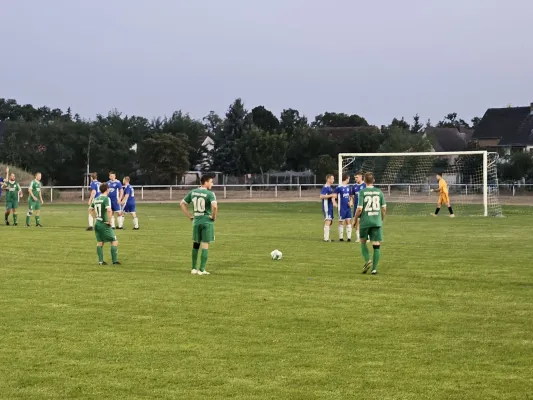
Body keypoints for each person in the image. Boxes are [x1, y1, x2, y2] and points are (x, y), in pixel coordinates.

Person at [180, 174, 218, 276]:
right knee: (205, 245)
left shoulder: (193, 192)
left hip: (196, 222)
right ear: (205, 182)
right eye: (211, 181)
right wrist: (213, 217)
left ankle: (193, 268)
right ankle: (201, 270)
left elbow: (182, 203)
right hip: (206, 222)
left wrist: (190, 216)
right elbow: (214, 207)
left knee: (196, 244)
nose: (212, 184)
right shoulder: (210, 194)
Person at [354, 172, 386, 275]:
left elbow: (359, 209)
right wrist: (381, 219)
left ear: (364, 180)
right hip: (376, 222)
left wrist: (355, 220)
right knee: (376, 244)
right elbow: (384, 208)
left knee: (363, 241)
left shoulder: (362, 192)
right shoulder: (379, 192)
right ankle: (374, 269)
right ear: (374, 180)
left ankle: (368, 260)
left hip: (365, 221)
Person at [88, 183, 120, 265]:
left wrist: (95, 217)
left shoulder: (96, 199)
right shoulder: (106, 199)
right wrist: (109, 221)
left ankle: (100, 261)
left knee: (100, 242)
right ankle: (114, 261)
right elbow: (109, 210)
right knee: (114, 241)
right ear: (107, 189)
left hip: (97, 223)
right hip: (104, 223)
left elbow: (90, 209)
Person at [334, 174, 353, 241]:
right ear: (346, 178)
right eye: (349, 178)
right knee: (341, 222)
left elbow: (350, 196)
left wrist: (350, 202)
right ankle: (341, 238)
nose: (349, 180)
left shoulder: (348, 187)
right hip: (341, 207)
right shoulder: (339, 187)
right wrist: (334, 202)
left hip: (348, 207)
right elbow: (334, 195)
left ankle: (349, 238)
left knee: (348, 221)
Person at [320, 174, 337, 242]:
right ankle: (326, 238)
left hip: (330, 206)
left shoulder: (330, 188)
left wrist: (334, 202)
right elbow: (321, 196)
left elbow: (331, 196)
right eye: (332, 178)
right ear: (328, 179)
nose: (333, 180)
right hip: (326, 206)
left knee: (330, 221)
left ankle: (327, 237)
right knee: (328, 221)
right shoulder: (325, 187)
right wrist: (331, 195)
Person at [350, 172, 366, 241]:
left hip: (364, 207)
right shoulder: (354, 186)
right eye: (355, 178)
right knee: (356, 222)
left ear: (360, 177)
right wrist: (351, 201)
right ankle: (358, 237)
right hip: (356, 207)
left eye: (357, 177)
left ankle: (366, 237)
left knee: (365, 222)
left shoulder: (365, 185)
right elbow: (352, 196)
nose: (355, 179)